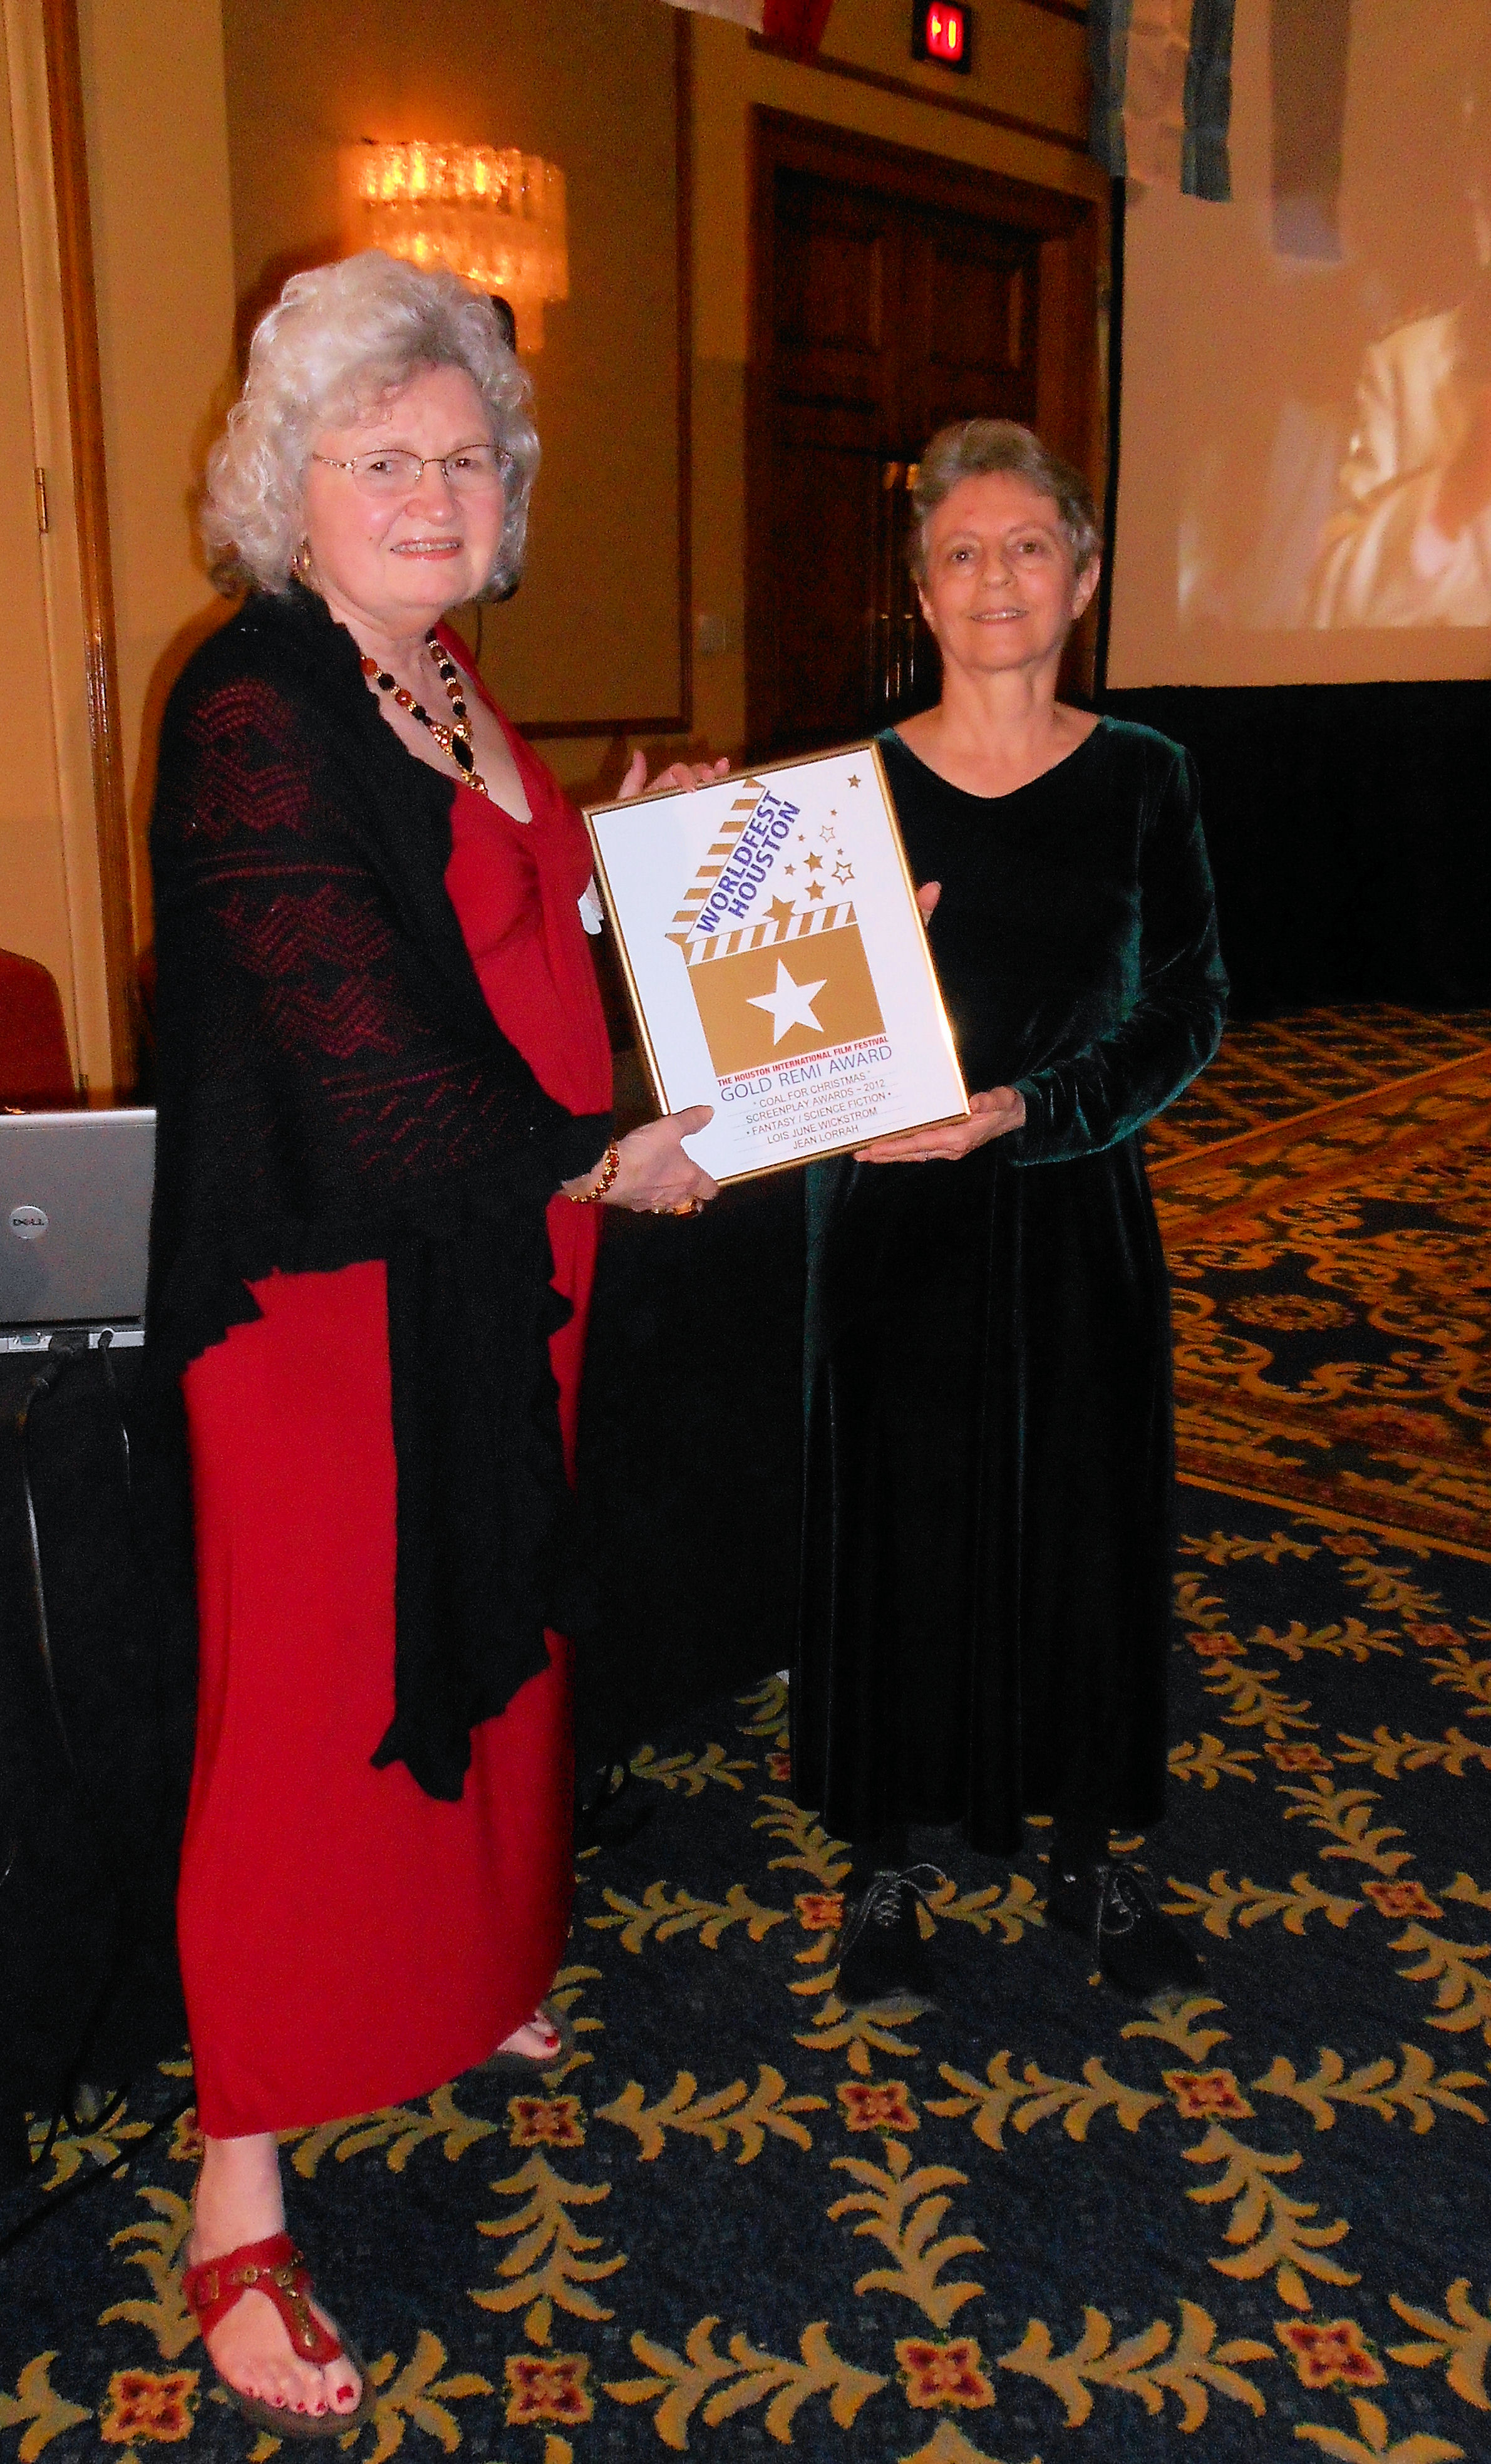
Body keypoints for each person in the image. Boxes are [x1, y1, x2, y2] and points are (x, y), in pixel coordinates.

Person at [146, 250, 721, 2434]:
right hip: (330, 1301)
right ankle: (238, 2179)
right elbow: (368, 1059)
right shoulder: (256, 700)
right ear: (291, 490)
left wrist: (681, 860)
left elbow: (525, 928)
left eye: (464, 457)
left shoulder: (456, 684)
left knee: (491, 1647)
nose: (428, 487)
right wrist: (601, 1160)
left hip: (503, 1269)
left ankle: (459, 1985)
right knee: (313, 1709)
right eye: (378, 456)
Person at [792, 420, 1227, 2017]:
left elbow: (1190, 1006)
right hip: (895, 1227)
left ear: (1085, 577)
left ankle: (1097, 1845)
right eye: (962, 552)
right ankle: (891, 1853)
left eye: (1029, 548)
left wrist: (1025, 1109)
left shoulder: (1145, 779)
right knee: (900, 1527)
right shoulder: (844, 790)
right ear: (921, 589)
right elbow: (777, 1029)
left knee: (1087, 1527)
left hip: (1073, 1211)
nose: (996, 579)